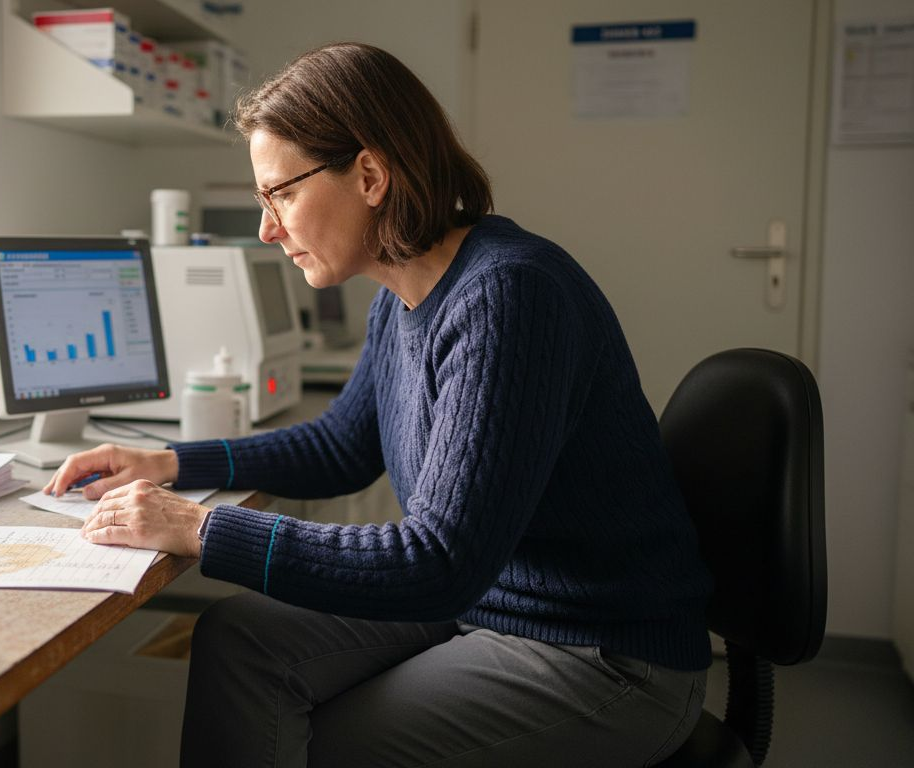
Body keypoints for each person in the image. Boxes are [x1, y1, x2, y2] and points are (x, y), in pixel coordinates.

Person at [44, 42, 712, 768]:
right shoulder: (402, 298)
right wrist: (170, 461)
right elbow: (342, 447)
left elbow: (439, 561)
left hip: (601, 653)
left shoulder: (510, 295)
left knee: (321, 742)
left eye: (280, 194)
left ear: (369, 175)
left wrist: (201, 528)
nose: (268, 229)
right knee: (238, 640)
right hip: (486, 605)